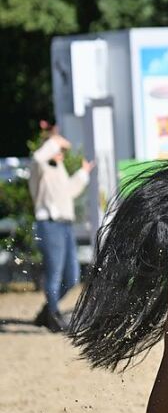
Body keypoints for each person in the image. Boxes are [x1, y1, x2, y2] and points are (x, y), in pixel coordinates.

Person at [29, 124, 93, 332]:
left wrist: (83, 174)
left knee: (72, 275)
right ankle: (53, 315)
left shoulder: (58, 169)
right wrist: (55, 140)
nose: (62, 154)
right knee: (55, 273)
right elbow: (39, 157)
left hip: (64, 225)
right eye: (58, 150)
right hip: (50, 224)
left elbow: (68, 192)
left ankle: (47, 311)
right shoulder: (40, 167)